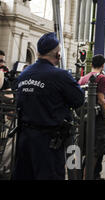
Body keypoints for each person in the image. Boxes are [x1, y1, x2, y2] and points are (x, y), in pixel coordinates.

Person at [12, 32, 85, 180]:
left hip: (24, 139)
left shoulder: (24, 74)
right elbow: (78, 100)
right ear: (58, 55)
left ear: (38, 53)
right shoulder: (60, 75)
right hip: (48, 143)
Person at [78, 54, 105, 180]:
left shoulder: (82, 78)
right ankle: (88, 176)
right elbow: (101, 100)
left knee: (85, 148)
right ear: (103, 65)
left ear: (91, 65)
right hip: (96, 118)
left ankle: (89, 175)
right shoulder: (101, 78)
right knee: (96, 149)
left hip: (83, 117)